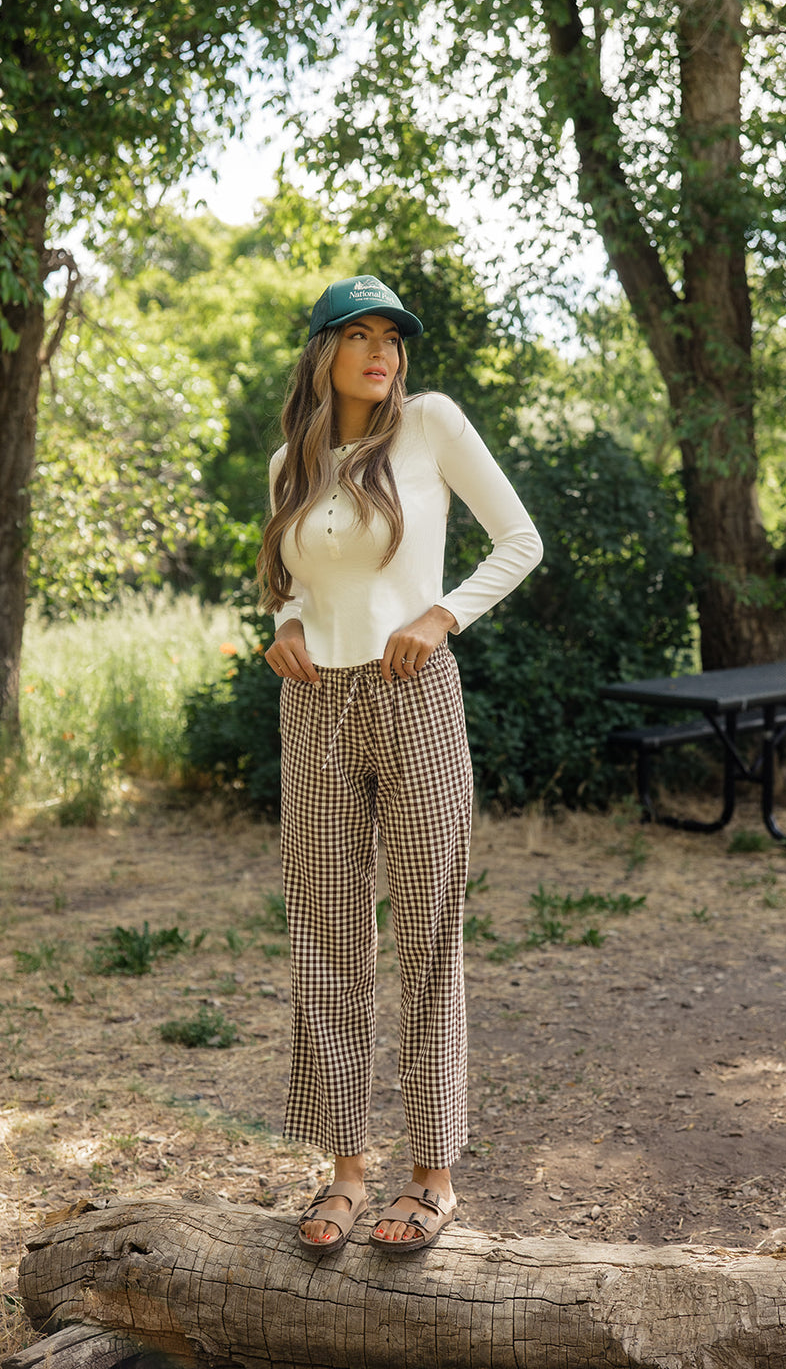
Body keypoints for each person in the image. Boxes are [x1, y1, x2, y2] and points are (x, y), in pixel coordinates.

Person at [257, 275, 543, 1254]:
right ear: (323, 349)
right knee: (327, 942)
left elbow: (520, 539)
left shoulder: (429, 424)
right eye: (360, 334)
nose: (381, 350)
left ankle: (432, 1176)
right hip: (315, 707)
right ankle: (343, 1169)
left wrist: (442, 612)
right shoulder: (291, 462)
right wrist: (285, 626)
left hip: (412, 692)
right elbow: (296, 587)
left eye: (392, 336)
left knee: (426, 936)